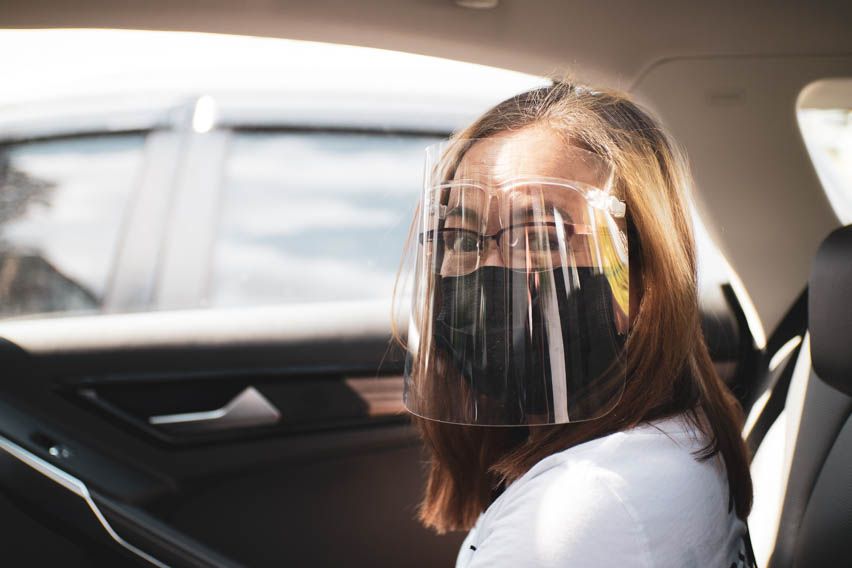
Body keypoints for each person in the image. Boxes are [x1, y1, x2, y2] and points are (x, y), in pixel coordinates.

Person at [393, 81, 754, 567]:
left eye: (540, 236)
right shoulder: (674, 437)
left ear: (643, 281)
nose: (489, 270)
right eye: (461, 237)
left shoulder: (578, 514)